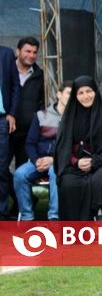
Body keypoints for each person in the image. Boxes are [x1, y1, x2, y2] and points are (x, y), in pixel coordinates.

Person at [54, 75, 102, 221]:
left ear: (96, 91)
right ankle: (75, 234)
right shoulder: (68, 118)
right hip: (75, 167)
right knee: (68, 183)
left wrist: (94, 161)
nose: (86, 96)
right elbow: (63, 149)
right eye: (80, 93)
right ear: (75, 96)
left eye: (89, 91)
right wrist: (75, 162)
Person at [13, 81, 72, 220]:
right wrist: (36, 160)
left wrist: (54, 160)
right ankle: (27, 217)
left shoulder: (75, 119)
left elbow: (74, 146)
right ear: (59, 94)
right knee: (19, 175)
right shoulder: (41, 116)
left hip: (60, 162)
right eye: (69, 93)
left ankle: (54, 217)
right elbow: (30, 143)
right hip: (39, 160)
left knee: (55, 171)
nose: (72, 97)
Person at [11, 37, 45, 169]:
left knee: (23, 169)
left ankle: (15, 190)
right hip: (5, 129)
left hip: (28, 132)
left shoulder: (41, 76)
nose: (31, 55)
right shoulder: (5, 71)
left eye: (35, 52)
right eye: (28, 51)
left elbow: (43, 102)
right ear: (18, 51)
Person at [0, 44, 20, 220]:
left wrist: (12, 113)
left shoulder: (6, 53)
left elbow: (15, 86)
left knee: (1, 167)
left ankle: (2, 213)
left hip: (2, 119)